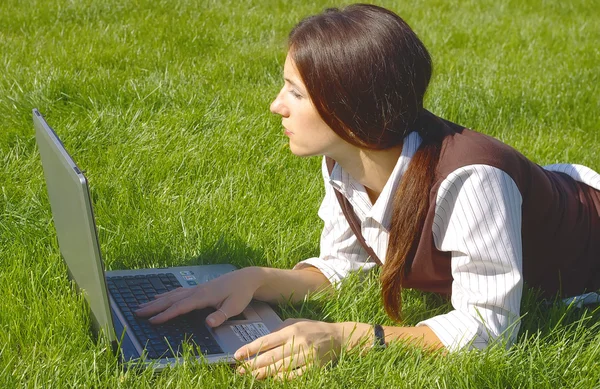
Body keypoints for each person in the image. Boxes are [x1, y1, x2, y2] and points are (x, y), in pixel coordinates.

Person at [135, 3, 600, 379]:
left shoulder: (469, 179)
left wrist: (345, 338)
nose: (276, 105)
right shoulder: (344, 158)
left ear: (349, 110)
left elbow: (489, 327)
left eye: (295, 93)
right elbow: (344, 268)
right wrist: (257, 279)